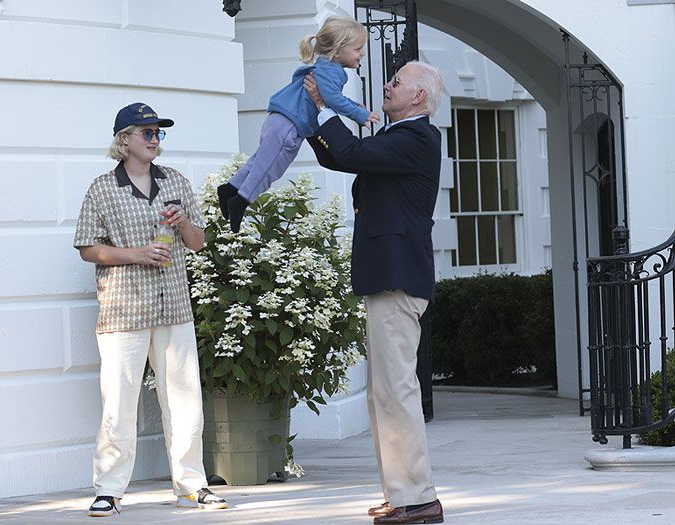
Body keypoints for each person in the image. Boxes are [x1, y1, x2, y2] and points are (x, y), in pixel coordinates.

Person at [304, 62, 445, 524]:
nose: (387, 85)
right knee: (383, 394)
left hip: (398, 277)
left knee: (397, 391)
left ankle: (419, 498)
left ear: (418, 97)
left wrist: (323, 105)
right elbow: (336, 155)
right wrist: (308, 113)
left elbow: (345, 153)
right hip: (387, 276)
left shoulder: (416, 138)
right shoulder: (397, 137)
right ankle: (403, 496)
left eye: (397, 81)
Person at [74, 103, 227, 517]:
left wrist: (182, 224)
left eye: (159, 133)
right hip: (124, 309)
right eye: (147, 133)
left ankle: (191, 486)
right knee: (119, 403)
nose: (155, 139)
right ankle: (109, 489)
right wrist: (136, 254)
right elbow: (89, 248)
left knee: (185, 401)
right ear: (124, 139)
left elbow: (197, 242)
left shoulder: (175, 180)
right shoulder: (102, 188)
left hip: (174, 306)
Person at [217, 15, 380, 233]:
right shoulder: (333, 71)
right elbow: (332, 99)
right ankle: (241, 201)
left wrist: (355, 107)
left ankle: (230, 188)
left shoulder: (325, 68)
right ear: (338, 50)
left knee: (259, 161)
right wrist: (359, 114)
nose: (362, 53)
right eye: (358, 48)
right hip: (288, 125)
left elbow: (330, 96)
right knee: (269, 168)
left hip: (281, 120)